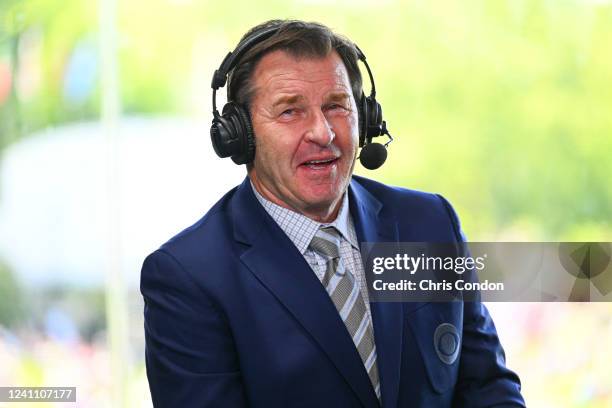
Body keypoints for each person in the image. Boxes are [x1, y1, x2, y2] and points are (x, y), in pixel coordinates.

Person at [140, 19, 525, 407]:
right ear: (239, 134)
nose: (322, 133)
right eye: (290, 112)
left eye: (336, 106)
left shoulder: (427, 222)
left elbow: (487, 386)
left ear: (366, 117)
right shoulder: (188, 277)